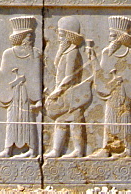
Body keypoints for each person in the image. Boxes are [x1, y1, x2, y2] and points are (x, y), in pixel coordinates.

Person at [91, 16, 131, 158]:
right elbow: (101, 75)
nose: (110, 38)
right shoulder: (107, 52)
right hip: (112, 92)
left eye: (112, 35)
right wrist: (93, 59)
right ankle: (107, 147)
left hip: (125, 94)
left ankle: (128, 149)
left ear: (120, 36)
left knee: (126, 119)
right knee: (110, 118)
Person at [0, 16, 41, 158]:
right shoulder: (8, 54)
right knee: (12, 120)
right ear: (20, 38)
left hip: (28, 94)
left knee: (29, 121)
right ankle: (8, 148)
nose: (31, 39)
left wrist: (38, 99)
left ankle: (32, 149)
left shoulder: (36, 54)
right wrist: (15, 81)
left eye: (32, 36)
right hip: (14, 95)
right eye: (28, 36)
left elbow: (37, 77)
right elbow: (3, 76)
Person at [44, 16, 89, 158]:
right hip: (64, 93)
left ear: (69, 37)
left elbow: (69, 76)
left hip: (71, 92)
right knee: (61, 120)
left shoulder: (73, 52)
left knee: (75, 119)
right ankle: (57, 150)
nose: (59, 38)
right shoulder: (65, 52)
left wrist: (57, 92)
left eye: (61, 35)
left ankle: (78, 150)